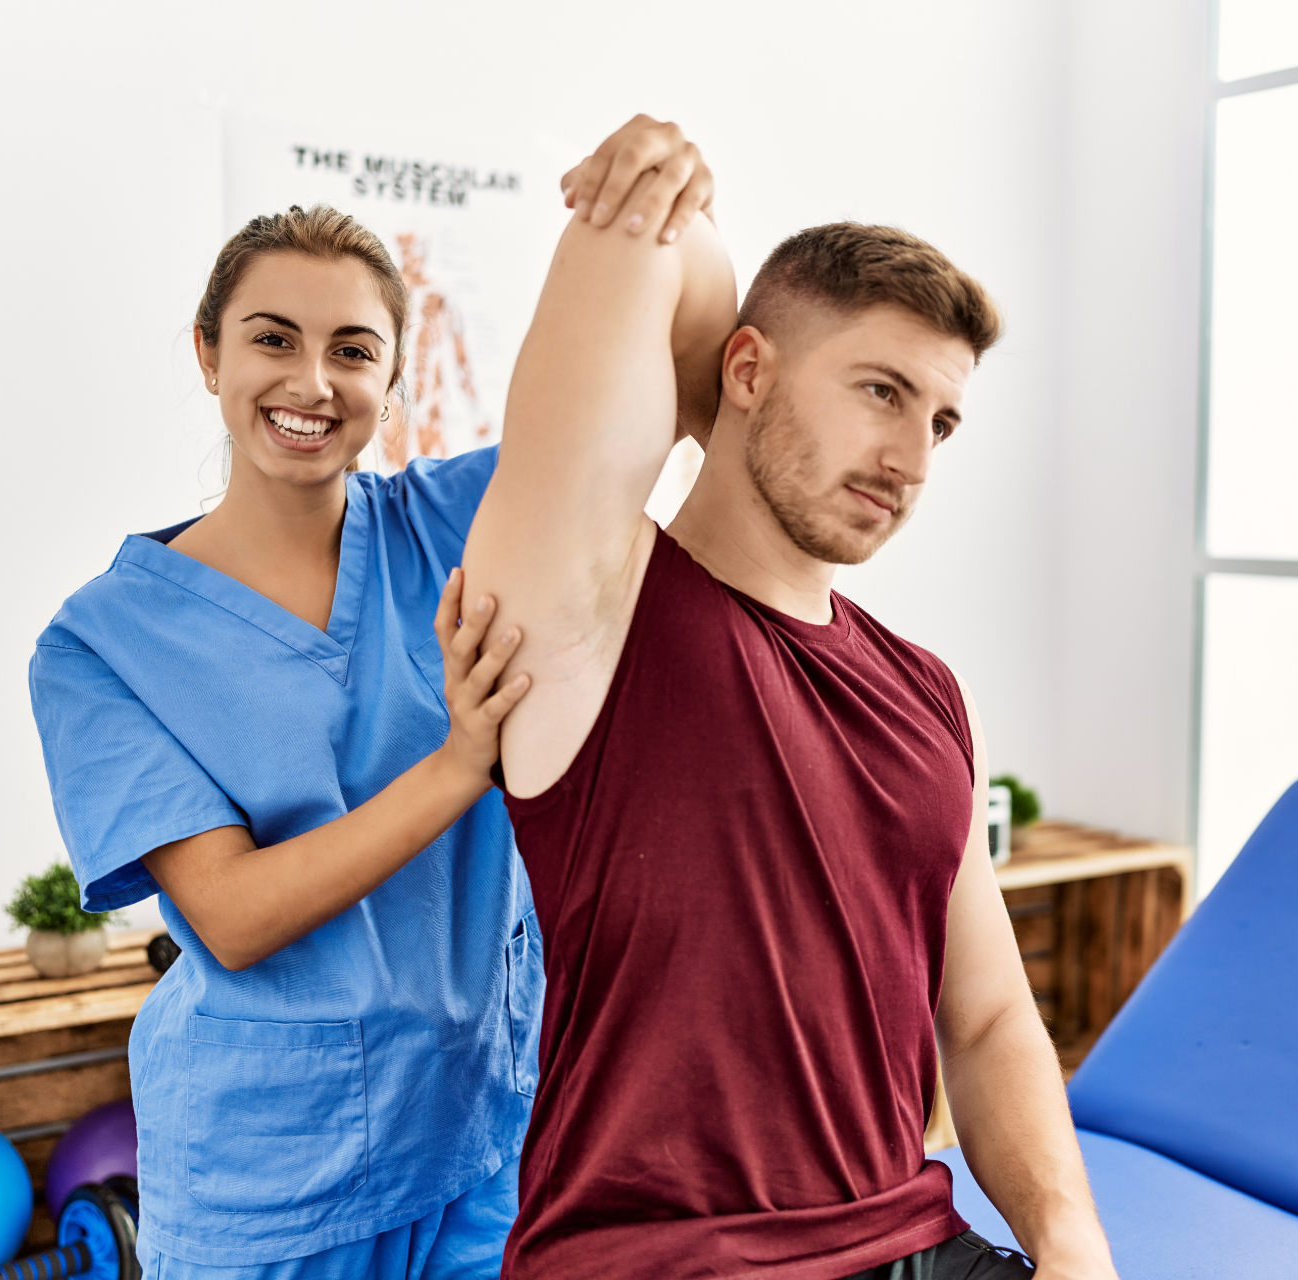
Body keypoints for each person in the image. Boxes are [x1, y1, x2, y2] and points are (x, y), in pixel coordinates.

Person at [27, 118, 714, 1279]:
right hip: (269, 1182)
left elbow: (691, 392)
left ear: (395, 377)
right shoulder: (100, 645)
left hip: (487, 1136)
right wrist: (460, 763)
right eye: (272, 339)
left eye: (353, 349)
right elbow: (236, 916)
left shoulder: (460, 524)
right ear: (208, 353)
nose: (311, 381)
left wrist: (674, 221)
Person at [462, 141, 1124, 1277]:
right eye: (881, 391)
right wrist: (681, 195)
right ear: (749, 370)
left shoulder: (925, 691)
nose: (912, 457)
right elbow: (633, 249)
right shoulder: (593, 620)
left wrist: (1070, 1244)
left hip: (917, 1239)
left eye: (942, 421)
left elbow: (986, 1017)